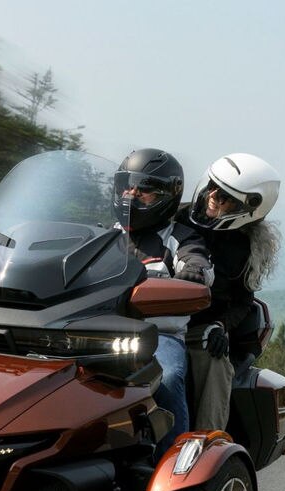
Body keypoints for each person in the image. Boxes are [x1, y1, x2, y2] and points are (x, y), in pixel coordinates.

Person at [113, 148, 213, 456]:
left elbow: (200, 265)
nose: (132, 195)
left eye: (144, 189)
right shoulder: (106, 235)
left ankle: (175, 464)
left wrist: (194, 271)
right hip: (102, 331)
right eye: (127, 186)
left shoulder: (181, 238)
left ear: (167, 196)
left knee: (168, 377)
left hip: (159, 337)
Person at [179, 153, 282, 431]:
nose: (214, 196)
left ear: (249, 209)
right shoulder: (176, 217)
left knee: (214, 364)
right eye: (214, 187)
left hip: (197, 329)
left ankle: (205, 445)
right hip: (147, 317)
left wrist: (220, 326)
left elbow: (243, 301)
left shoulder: (246, 247)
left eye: (227, 197)